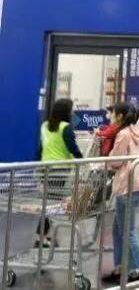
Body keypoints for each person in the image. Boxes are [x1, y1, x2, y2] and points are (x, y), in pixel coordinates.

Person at [102, 103, 139, 284]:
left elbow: (116, 161)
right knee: (117, 229)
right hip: (137, 183)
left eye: (112, 113)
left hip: (127, 185)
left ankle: (136, 270)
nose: (110, 116)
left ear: (120, 116)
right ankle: (121, 267)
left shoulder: (123, 134)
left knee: (126, 231)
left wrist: (106, 159)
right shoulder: (135, 130)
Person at [37, 99, 83, 247]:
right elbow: (73, 148)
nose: (73, 112)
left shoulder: (45, 125)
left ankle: (44, 235)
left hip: (45, 168)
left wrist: (36, 165)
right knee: (51, 204)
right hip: (59, 170)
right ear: (66, 112)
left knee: (49, 202)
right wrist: (84, 161)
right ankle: (41, 237)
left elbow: (41, 147)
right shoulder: (66, 128)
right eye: (71, 110)